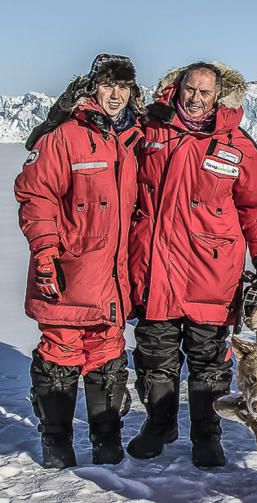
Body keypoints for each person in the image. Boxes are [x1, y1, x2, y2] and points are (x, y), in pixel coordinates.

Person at [128, 61, 257, 468]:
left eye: (204, 93)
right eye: (189, 90)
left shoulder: (236, 145)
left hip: (211, 272)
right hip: (157, 267)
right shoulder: (151, 131)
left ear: (219, 97)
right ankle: (159, 426)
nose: (195, 99)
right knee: (154, 354)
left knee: (209, 359)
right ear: (178, 88)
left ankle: (206, 434)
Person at [15, 54, 144, 469]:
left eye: (123, 87)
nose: (116, 94)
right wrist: (46, 252)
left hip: (112, 275)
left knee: (107, 354)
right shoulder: (65, 136)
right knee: (60, 352)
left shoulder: (131, 138)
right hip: (70, 270)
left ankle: (106, 441)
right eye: (109, 85)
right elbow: (36, 196)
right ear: (93, 88)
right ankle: (56, 443)